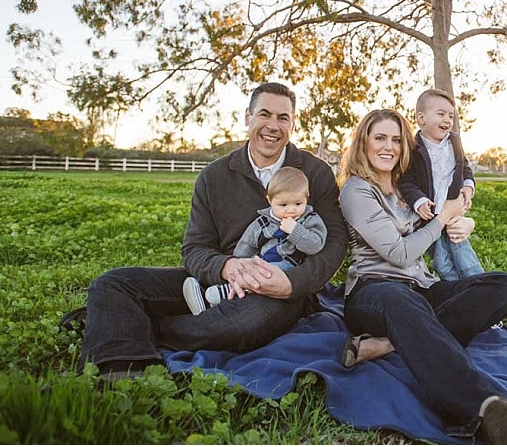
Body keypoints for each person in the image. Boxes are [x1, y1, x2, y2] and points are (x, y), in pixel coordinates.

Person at [79, 82, 347, 378]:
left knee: (240, 324)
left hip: (280, 287)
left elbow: (335, 242)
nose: (273, 126)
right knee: (114, 283)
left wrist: (292, 283)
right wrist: (227, 266)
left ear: (292, 124)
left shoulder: (315, 172)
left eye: (283, 118)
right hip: (217, 281)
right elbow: (194, 248)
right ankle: (119, 368)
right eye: (264, 114)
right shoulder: (214, 176)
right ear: (248, 117)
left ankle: (129, 323)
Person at [338, 109, 507, 444]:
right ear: (363, 142)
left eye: (396, 139)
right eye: (380, 137)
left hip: (422, 287)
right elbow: (400, 253)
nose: (389, 146)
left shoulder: (409, 187)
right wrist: (441, 219)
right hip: (374, 292)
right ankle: (480, 409)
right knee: (402, 302)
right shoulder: (356, 191)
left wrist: (464, 221)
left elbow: (448, 213)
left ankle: (390, 345)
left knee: (503, 286)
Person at [182, 166, 328, 315]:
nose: (291, 210)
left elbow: (315, 245)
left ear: (307, 197)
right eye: (283, 205)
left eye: (298, 203)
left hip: (289, 267)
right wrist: (241, 264)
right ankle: (216, 300)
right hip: (262, 261)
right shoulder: (263, 222)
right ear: (270, 200)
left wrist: (295, 231)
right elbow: (247, 244)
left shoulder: (309, 220)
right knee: (253, 275)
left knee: (263, 277)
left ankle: (214, 299)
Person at [399, 88, 484, 280]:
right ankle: (453, 285)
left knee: (460, 247)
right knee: (441, 260)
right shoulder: (412, 149)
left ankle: (477, 281)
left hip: (452, 209)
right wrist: (419, 201)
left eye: (451, 116)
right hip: (430, 216)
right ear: (422, 119)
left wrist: (468, 187)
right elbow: (407, 180)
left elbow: (465, 168)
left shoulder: (454, 143)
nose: (447, 120)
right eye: (441, 114)